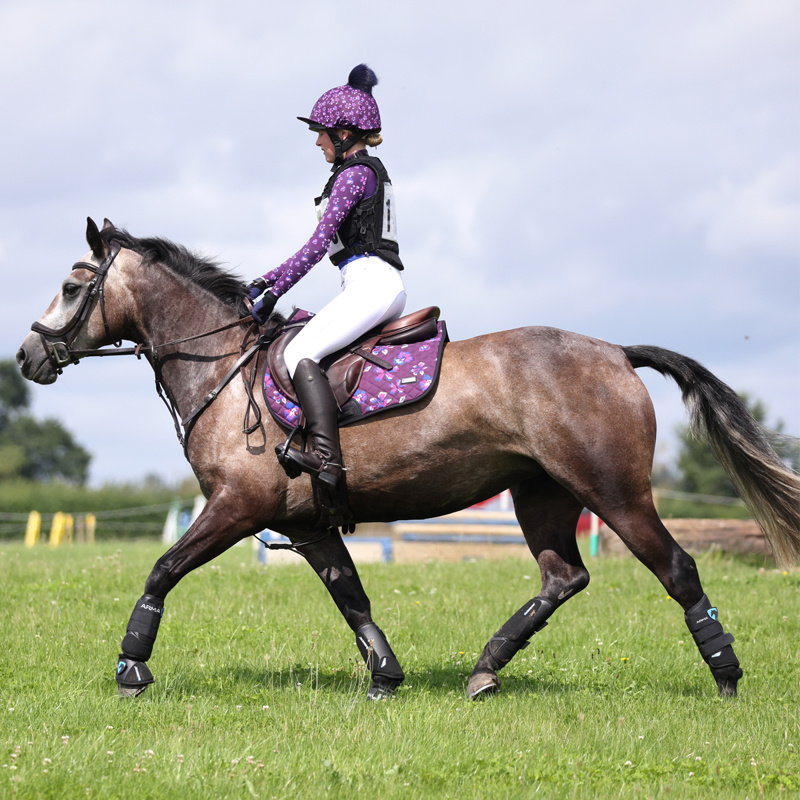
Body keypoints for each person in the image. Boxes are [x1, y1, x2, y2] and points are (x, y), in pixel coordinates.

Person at [247, 64, 407, 489]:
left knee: (300, 353)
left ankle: (326, 459)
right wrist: (266, 281)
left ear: (345, 133)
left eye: (322, 132)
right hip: (371, 283)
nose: (317, 140)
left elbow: (318, 244)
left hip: (372, 284)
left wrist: (272, 288)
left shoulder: (355, 174)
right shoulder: (355, 172)